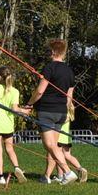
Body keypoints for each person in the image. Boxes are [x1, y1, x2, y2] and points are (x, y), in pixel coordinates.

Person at [23, 39, 78, 185]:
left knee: (50, 145)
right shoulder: (69, 71)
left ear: (53, 52)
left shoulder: (49, 68)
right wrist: (65, 110)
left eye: (49, 51)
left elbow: (40, 91)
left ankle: (67, 172)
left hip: (46, 110)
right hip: (61, 112)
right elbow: (69, 97)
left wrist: (29, 104)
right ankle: (55, 175)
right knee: (54, 146)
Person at [0, 66, 27, 185]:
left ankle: (0, 177)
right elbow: (15, 108)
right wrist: (24, 111)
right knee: (10, 148)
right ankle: (17, 168)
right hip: (8, 125)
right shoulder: (14, 91)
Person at [41, 108, 87, 183]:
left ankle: (60, 176)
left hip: (60, 135)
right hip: (67, 136)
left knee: (57, 154)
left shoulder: (61, 111)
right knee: (67, 155)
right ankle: (80, 169)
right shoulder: (68, 112)